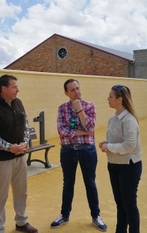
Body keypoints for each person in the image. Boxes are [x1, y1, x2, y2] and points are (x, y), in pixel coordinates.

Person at [0, 74, 38, 233]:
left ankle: (21, 222)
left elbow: (25, 125)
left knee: (21, 192)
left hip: (20, 157)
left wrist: (25, 142)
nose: (17, 90)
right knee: (0, 195)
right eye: (14, 87)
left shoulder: (18, 103)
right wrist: (9, 147)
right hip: (2, 160)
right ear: (3, 89)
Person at [51, 78, 107, 232]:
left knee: (90, 183)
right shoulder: (62, 108)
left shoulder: (89, 106)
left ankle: (96, 216)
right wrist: (82, 132)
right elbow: (61, 131)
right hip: (68, 151)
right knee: (68, 183)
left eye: (77, 88)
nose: (76, 92)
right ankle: (64, 215)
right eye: (72, 90)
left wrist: (79, 109)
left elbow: (91, 126)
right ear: (66, 93)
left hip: (87, 150)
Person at [99, 85, 142, 233]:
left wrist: (108, 146)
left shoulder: (129, 120)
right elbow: (114, 138)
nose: (108, 99)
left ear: (119, 100)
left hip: (129, 166)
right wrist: (105, 143)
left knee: (129, 205)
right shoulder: (113, 118)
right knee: (120, 204)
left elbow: (130, 146)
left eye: (110, 97)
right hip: (114, 165)